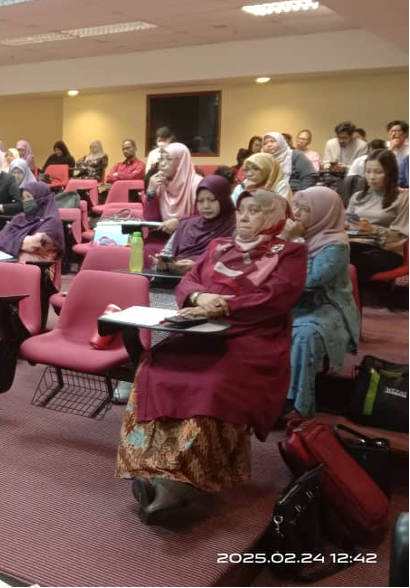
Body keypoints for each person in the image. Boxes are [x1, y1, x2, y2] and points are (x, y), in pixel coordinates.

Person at [118, 190, 306, 525]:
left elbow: (276, 297)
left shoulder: (289, 253)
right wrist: (199, 297)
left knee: (212, 383)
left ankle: (183, 481)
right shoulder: (220, 246)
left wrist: (225, 306)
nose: (244, 217)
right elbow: (188, 281)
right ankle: (153, 472)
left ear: (275, 218)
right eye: (241, 210)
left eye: (255, 211)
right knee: (155, 367)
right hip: (199, 330)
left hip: (250, 337)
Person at [284, 187, 359, 418]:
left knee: (304, 335)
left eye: (305, 209)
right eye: (295, 206)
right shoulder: (301, 235)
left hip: (326, 304)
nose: (296, 213)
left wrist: (292, 242)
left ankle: (295, 403)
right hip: (292, 300)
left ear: (323, 213)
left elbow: (310, 281)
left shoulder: (336, 244)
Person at [347, 149, 409, 283]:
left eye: (378, 172)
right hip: (356, 243)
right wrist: (346, 227)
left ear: (390, 173)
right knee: (330, 255)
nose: (372, 177)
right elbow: (348, 226)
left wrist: (373, 230)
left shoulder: (403, 197)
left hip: (387, 250)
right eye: (368, 171)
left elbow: (400, 238)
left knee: (351, 264)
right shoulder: (358, 197)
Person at [155, 175, 235, 274]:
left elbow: (232, 263)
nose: (206, 206)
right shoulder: (186, 225)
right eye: (200, 201)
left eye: (212, 200)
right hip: (173, 278)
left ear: (223, 199)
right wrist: (163, 264)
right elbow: (167, 252)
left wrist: (197, 266)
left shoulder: (234, 228)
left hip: (208, 281)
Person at [0, 180, 64, 277]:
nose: (25, 201)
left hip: (38, 271)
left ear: (42, 199)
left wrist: (6, 240)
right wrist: (18, 242)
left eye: (29, 197)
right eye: (23, 198)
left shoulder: (51, 221)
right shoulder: (20, 218)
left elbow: (34, 244)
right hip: (10, 265)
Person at [145, 143, 201, 237]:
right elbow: (150, 218)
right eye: (161, 159)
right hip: (164, 236)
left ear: (181, 162)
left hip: (192, 236)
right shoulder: (160, 183)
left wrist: (181, 223)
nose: (162, 164)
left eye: (168, 159)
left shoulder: (197, 184)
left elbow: (206, 218)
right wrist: (151, 191)